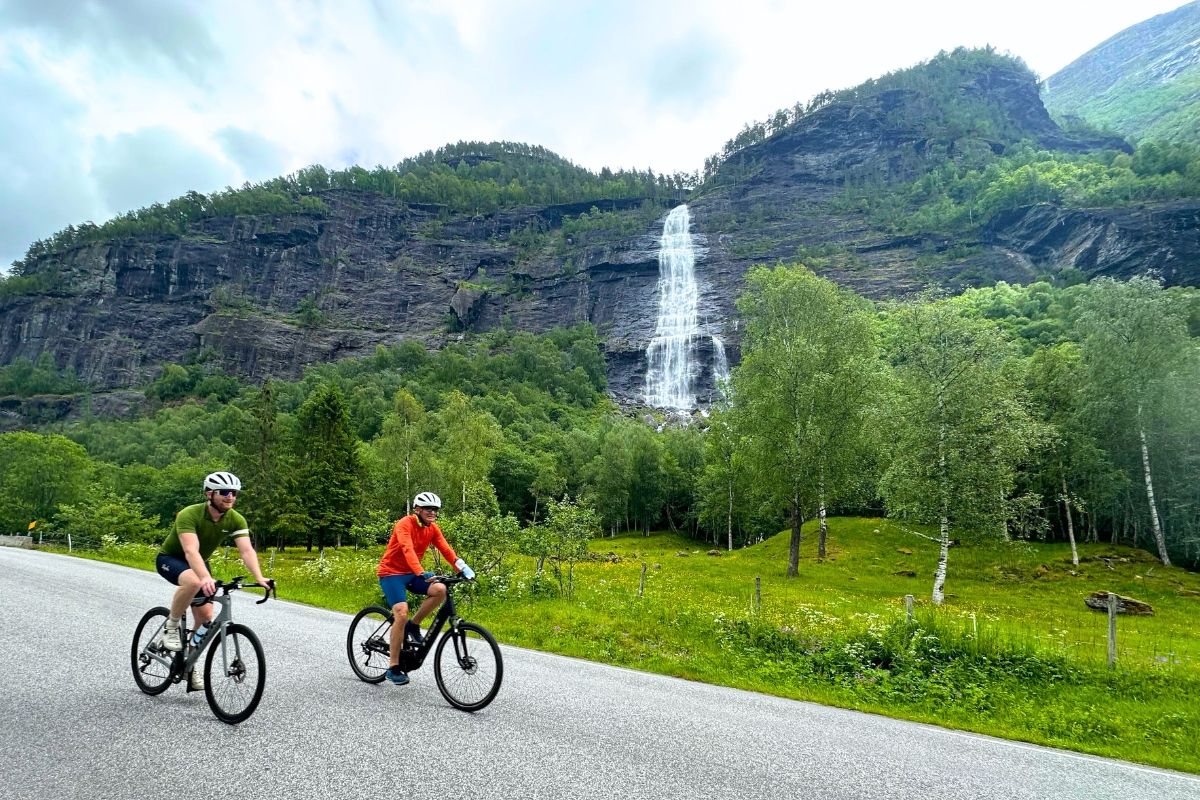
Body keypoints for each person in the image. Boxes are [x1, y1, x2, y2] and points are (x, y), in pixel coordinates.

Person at [155, 471, 272, 692]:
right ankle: (171, 626)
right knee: (193, 582)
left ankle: (190, 662)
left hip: (200, 562)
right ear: (210, 494)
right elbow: (190, 551)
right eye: (225, 492)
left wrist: (259, 577)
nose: (231, 497)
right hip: (171, 559)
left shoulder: (236, 519)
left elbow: (246, 550)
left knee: (206, 618)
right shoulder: (190, 514)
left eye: (234, 493)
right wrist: (205, 577)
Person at [377, 491, 474, 686]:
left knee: (440, 590)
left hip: (413, 574)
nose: (432, 512)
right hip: (391, 573)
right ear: (418, 510)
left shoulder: (433, 529)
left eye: (435, 509)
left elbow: (446, 550)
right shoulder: (405, 523)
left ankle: (414, 625)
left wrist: (462, 567)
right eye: (428, 509)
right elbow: (407, 549)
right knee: (401, 613)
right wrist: (421, 571)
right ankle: (393, 667)